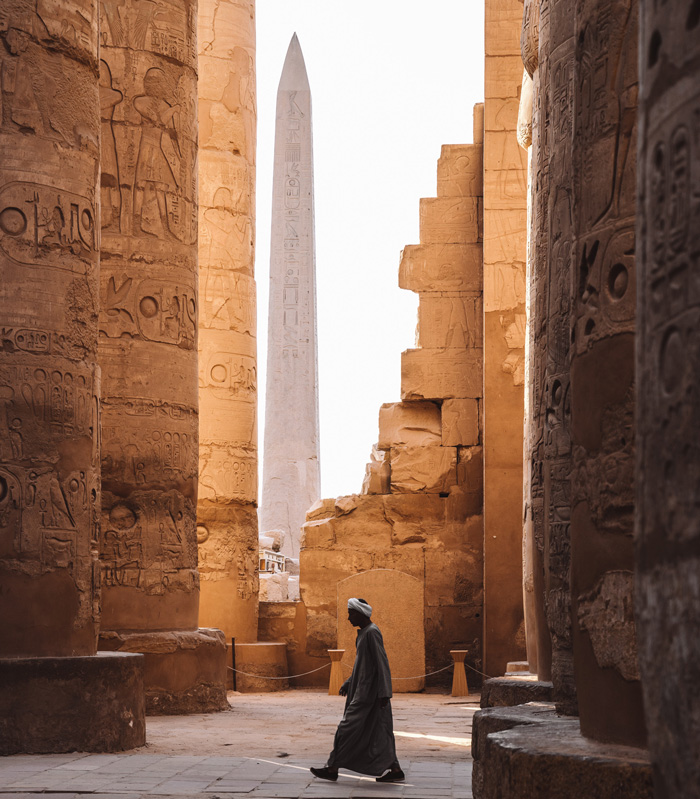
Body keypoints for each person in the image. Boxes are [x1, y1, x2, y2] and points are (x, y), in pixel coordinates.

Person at [310, 598, 405, 783]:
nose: (348, 617)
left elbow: (381, 663)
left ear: (361, 613)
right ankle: (395, 770)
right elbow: (362, 665)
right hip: (362, 690)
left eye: (351, 613)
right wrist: (349, 681)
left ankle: (332, 768)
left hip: (369, 695)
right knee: (380, 731)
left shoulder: (372, 633)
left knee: (345, 729)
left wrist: (384, 693)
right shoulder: (363, 634)